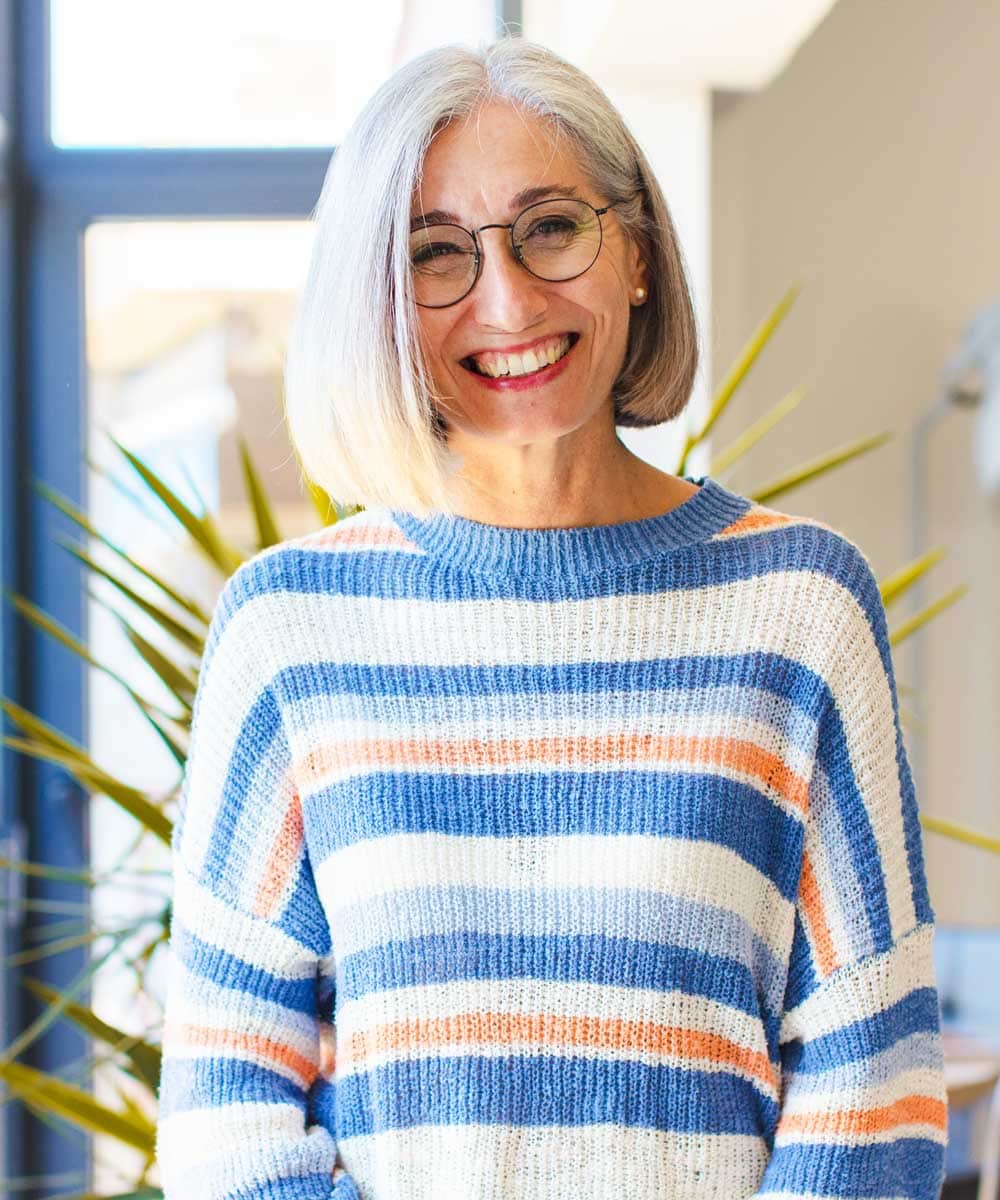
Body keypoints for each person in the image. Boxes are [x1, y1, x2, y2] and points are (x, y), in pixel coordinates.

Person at [155, 35, 948, 1200]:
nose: (509, 299)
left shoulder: (799, 608)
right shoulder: (289, 628)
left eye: (552, 229)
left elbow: (870, 1081)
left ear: (633, 253)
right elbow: (226, 1101)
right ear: (380, 302)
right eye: (436, 254)